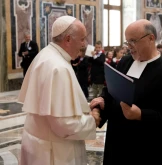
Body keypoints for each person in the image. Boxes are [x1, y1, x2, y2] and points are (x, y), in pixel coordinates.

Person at [90, 19, 162, 165]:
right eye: (127, 42)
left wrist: (141, 115)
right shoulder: (126, 61)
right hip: (117, 140)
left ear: (151, 38)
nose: (129, 47)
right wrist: (101, 100)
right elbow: (112, 90)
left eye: (133, 41)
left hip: (145, 148)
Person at [17, 16, 100, 165]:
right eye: (82, 39)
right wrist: (92, 120)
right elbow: (64, 124)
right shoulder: (58, 67)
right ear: (68, 39)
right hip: (54, 153)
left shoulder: (46, 54)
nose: (84, 45)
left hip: (39, 143)